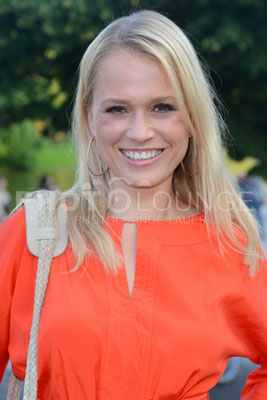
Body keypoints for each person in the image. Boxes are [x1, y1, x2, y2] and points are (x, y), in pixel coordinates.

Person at [0, 10, 266, 400]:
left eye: (163, 107)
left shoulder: (229, 244)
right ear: (90, 117)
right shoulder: (35, 231)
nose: (140, 133)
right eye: (117, 109)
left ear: (192, 116)